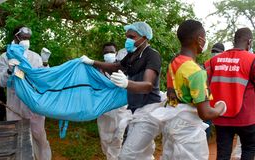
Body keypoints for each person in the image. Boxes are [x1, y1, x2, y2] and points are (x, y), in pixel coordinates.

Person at [81, 22, 162, 160]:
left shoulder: (152, 55)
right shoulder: (133, 55)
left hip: (148, 109)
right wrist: (92, 62)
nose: (128, 40)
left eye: (132, 36)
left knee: (128, 154)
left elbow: (148, 85)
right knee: (143, 153)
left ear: (144, 37)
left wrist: (127, 83)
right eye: (127, 36)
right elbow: (116, 66)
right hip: (135, 109)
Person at [159, 19, 226, 160]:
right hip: (188, 132)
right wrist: (221, 107)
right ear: (199, 39)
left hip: (171, 122)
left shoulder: (173, 63)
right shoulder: (196, 71)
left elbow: (172, 94)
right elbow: (205, 113)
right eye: (205, 38)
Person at [0, 26, 51, 160]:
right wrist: (9, 71)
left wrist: (45, 63)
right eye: (24, 38)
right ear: (16, 37)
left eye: (28, 38)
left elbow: (44, 80)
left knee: (40, 139)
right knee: (17, 141)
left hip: (34, 107)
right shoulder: (4, 57)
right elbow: (0, 82)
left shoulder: (35, 57)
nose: (26, 41)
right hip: (14, 107)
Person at [208, 27, 255, 160]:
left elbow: (203, 84)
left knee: (222, 154)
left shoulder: (214, 60)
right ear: (249, 42)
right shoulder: (252, 59)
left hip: (221, 116)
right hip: (247, 118)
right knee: (248, 149)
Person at [96, 42, 131, 160]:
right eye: (106, 52)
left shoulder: (123, 68)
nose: (108, 54)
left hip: (120, 110)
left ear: (116, 53)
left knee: (118, 138)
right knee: (105, 140)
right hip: (104, 111)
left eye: (111, 52)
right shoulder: (98, 70)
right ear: (103, 55)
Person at [204, 42, 225, 140]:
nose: (214, 53)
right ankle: (205, 143)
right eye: (213, 51)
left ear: (223, 52)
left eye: (217, 51)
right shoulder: (207, 63)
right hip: (211, 99)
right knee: (206, 124)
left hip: (220, 100)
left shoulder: (208, 63)